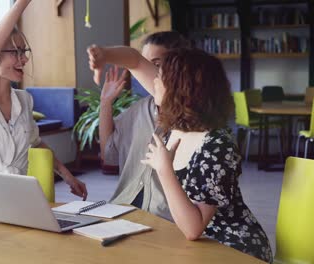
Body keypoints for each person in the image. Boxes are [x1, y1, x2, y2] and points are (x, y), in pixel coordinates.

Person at [89, 47, 273, 262]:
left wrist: (164, 169)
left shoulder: (217, 145)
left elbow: (193, 229)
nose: (154, 82)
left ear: (182, 90)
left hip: (232, 245)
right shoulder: (175, 128)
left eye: (160, 77)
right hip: (195, 243)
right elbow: (136, 61)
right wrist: (105, 56)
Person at [0, 0, 87, 202]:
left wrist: (68, 176)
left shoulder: (24, 100)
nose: (24, 59)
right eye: (15, 52)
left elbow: (36, 142)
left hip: (21, 200)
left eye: (24, 51)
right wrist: (22, 3)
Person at [98, 32, 190, 221]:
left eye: (155, 65)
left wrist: (105, 54)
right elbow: (109, 155)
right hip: (123, 208)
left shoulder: (191, 115)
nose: (145, 73)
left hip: (168, 218)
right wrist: (105, 103)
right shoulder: (137, 110)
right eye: (142, 65)